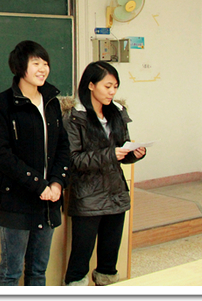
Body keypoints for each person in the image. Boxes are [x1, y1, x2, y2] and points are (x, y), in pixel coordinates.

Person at [0, 40, 70, 286]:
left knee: (38, 271)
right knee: (11, 272)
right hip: (16, 199)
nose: (43, 69)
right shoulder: (4, 102)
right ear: (19, 66)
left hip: (48, 201)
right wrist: (39, 185)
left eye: (45, 63)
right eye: (36, 63)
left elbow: (62, 147)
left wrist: (56, 183)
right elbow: (1, 153)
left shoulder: (52, 101)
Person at [63, 61, 146, 287]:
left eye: (115, 87)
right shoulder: (75, 116)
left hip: (115, 193)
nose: (112, 92)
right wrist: (111, 154)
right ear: (91, 85)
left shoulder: (117, 112)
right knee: (80, 258)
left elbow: (121, 149)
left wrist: (134, 153)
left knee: (109, 260)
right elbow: (73, 159)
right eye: (107, 86)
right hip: (88, 196)